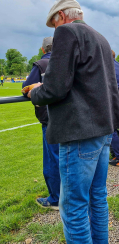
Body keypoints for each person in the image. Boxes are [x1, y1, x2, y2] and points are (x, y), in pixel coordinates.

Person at [28, 0, 119, 243]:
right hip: (103, 128)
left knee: (73, 207)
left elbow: (55, 87)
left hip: (80, 131)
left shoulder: (67, 32)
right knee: (97, 199)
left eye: (54, 23)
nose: (55, 29)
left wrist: (34, 91)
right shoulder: (100, 37)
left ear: (61, 16)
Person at [22, 37, 60, 210]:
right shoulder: (66, 60)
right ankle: (67, 196)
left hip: (49, 117)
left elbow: (26, 87)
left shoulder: (41, 64)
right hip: (70, 116)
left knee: (53, 159)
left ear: (43, 49)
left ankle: (56, 199)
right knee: (67, 157)